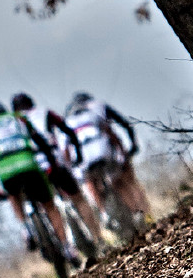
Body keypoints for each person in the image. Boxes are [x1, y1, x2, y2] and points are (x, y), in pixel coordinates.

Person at [0, 100, 79, 265]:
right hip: (29, 165)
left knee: (13, 195)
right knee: (50, 206)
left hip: (7, 171)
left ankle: (25, 228)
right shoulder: (19, 118)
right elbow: (39, 139)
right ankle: (67, 247)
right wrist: (52, 162)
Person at [10, 93, 104, 247]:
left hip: (32, 166)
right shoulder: (45, 112)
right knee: (78, 198)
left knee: (47, 205)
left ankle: (64, 246)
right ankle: (98, 238)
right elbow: (68, 131)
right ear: (31, 103)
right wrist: (78, 154)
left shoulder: (13, 120)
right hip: (54, 161)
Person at [63, 92, 152, 224]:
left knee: (90, 181)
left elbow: (66, 150)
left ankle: (104, 213)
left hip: (86, 160)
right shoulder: (98, 107)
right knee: (123, 182)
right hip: (106, 152)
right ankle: (144, 214)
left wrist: (71, 168)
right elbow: (120, 127)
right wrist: (128, 148)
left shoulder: (68, 121)